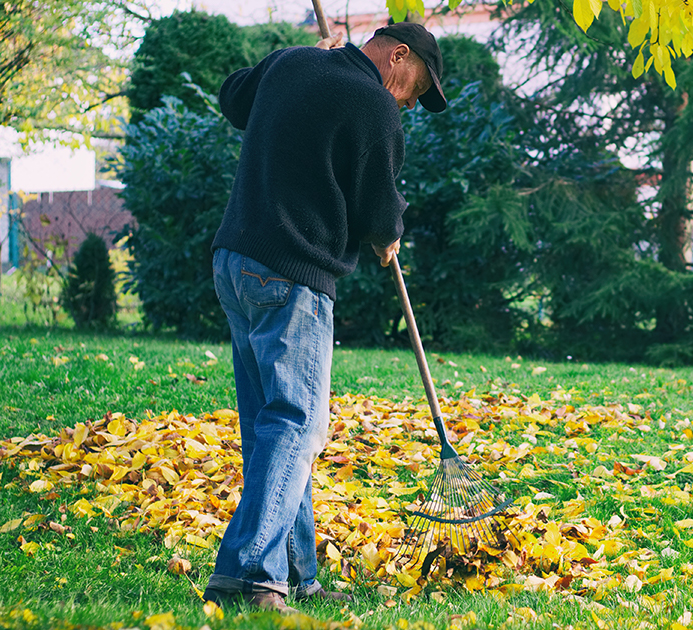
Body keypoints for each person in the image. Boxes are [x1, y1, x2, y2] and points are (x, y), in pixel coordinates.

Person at [202, 22, 446, 614]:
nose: (410, 102)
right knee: (298, 426)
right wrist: (388, 233)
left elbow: (233, 98)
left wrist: (286, 59)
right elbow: (377, 210)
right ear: (398, 55)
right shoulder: (374, 106)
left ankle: (297, 573)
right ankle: (249, 577)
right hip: (291, 274)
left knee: (271, 426)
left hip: (234, 264)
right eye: (416, 87)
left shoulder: (292, 63)